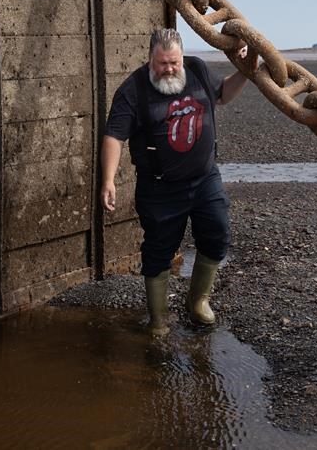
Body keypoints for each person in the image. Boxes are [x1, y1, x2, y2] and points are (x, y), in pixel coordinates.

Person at [101, 28, 254, 336]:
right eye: (162, 63)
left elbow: (223, 93)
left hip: (205, 178)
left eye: (174, 62)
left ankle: (197, 301)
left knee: (217, 234)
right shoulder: (133, 90)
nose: (169, 69)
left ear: (182, 57)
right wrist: (108, 180)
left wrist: (245, 72)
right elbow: (114, 136)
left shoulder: (196, 69)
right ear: (150, 59)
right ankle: (158, 320)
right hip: (159, 187)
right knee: (158, 250)